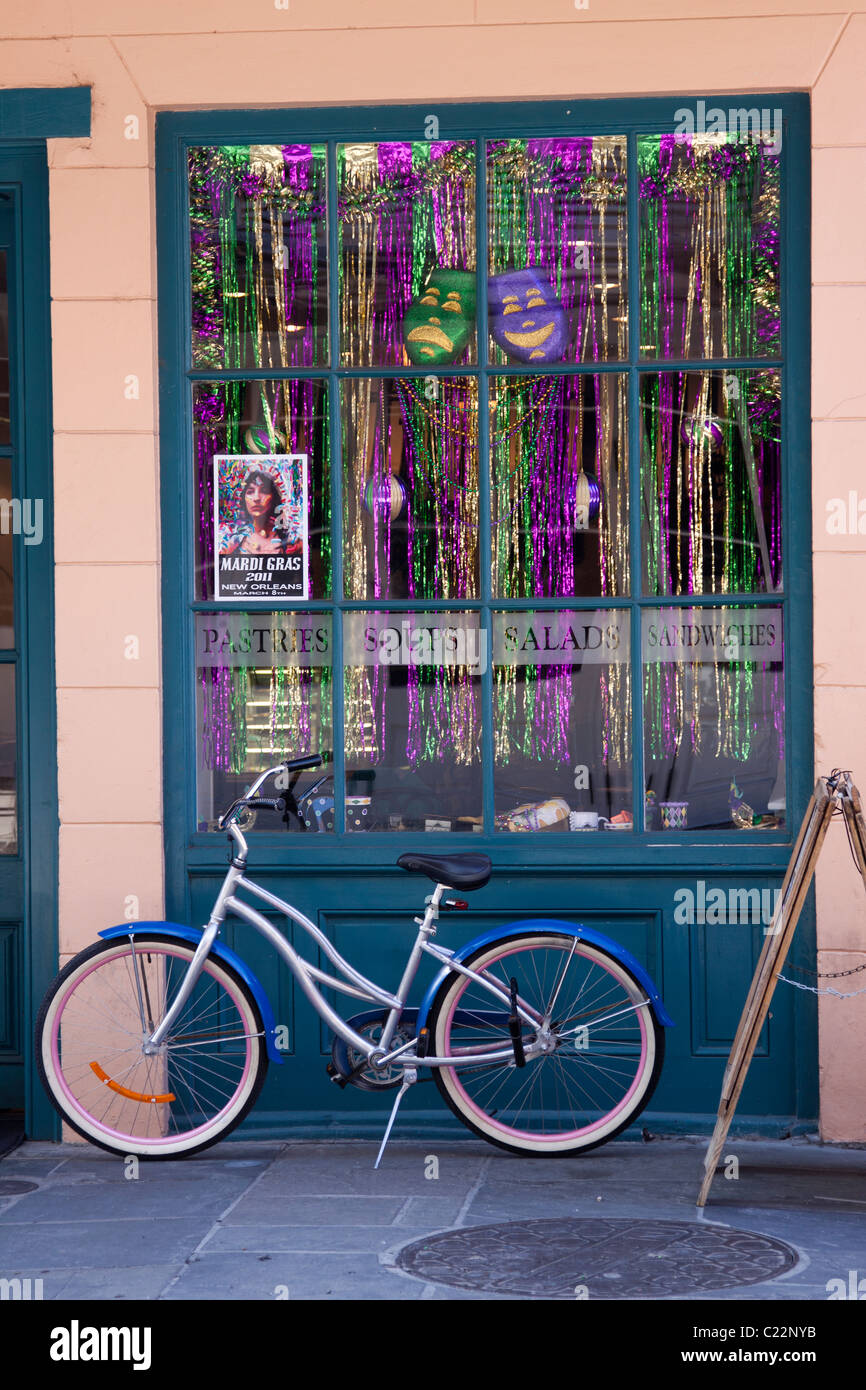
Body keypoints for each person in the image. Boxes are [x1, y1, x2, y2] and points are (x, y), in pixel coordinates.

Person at [218, 468, 301, 557]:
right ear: (243, 498)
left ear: (273, 497)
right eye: (250, 492)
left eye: (264, 491)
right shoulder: (232, 541)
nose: (256, 498)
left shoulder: (291, 541)